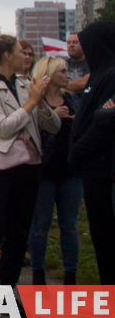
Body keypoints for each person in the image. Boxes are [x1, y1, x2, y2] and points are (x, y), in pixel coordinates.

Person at [0, 34, 58, 287]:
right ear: (8, 55)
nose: (26, 57)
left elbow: (54, 125)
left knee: (18, 235)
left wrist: (40, 103)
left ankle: (6, 297)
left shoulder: (23, 83)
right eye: (22, 52)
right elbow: (1, 127)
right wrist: (31, 103)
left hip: (29, 165)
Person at [67, 20, 115, 283]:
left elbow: (105, 124)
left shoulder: (111, 74)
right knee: (100, 237)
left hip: (102, 169)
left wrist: (77, 152)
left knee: (107, 236)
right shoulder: (98, 74)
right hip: (91, 168)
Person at [28, 55, 82, 285]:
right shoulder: (35, 101)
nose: (68, 76)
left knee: (69, 224)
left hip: (70, 171)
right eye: (63, 71)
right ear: (48, 75)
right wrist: (51, 119)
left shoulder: (72, 99)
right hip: (44, 171)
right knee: (40, 224)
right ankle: (37, 272)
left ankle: (71, 274)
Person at [65, 31, 88, 99]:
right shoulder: (63, 63)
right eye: (69, 43)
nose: (71, 45)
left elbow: (84, 84)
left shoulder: (91, 63)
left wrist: (60, 86)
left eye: (75, 42)